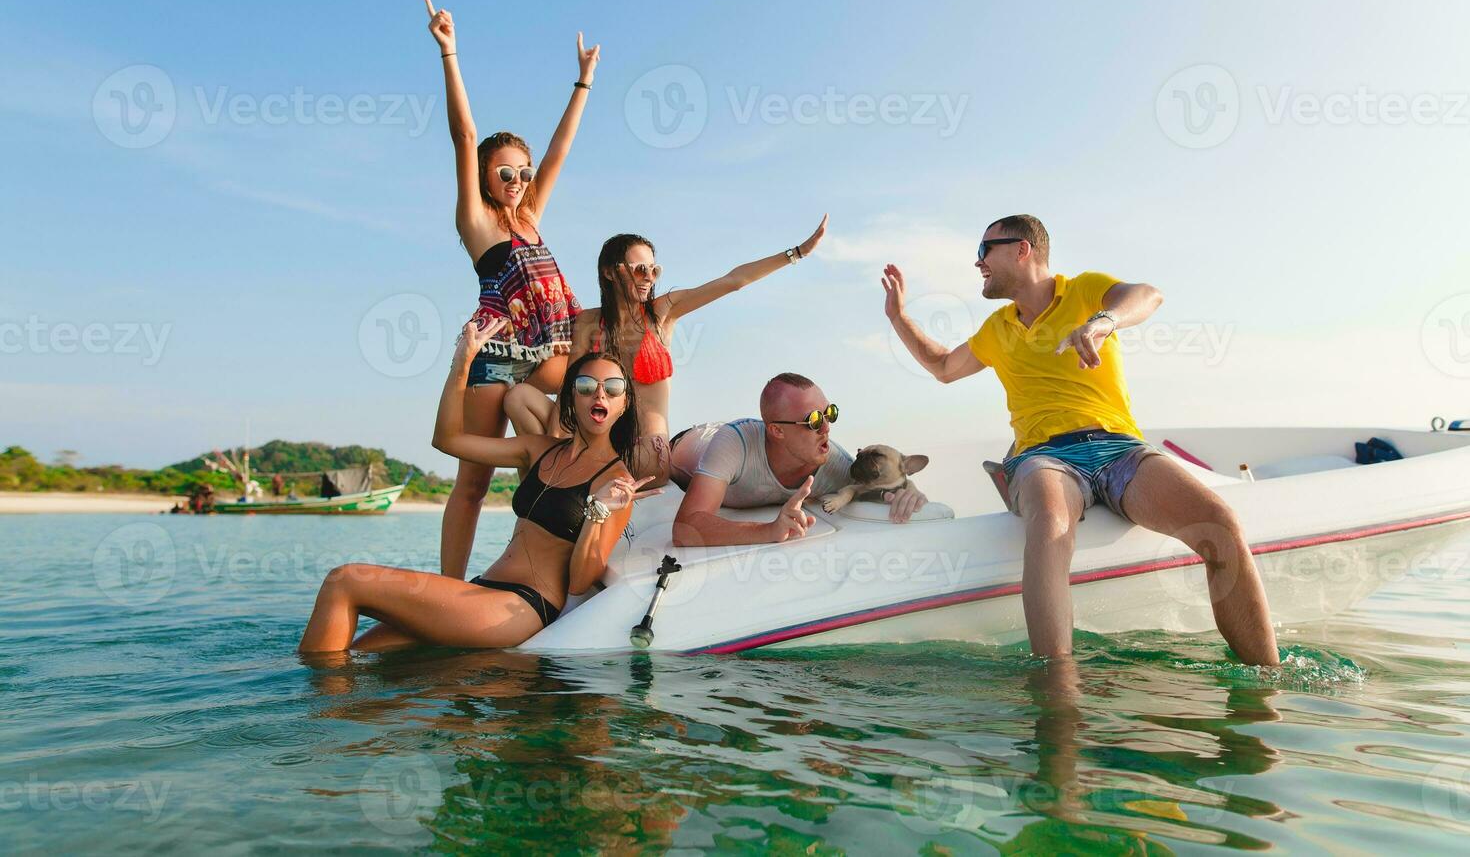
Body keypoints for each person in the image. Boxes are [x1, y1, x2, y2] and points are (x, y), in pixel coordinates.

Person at [881, 214, 1279, 665]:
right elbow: (943, 367)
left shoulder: (1085, 290)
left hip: (1119, 448)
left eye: (984, 250)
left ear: (1022, 249)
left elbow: (1149, 295)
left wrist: (1102, 323)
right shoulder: (997, 329)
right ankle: (1059, 701)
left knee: (1220, 525)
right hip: (1044, 456)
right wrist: (898, 316)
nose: (977, 263)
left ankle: (1266, 688)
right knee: (1050, 526)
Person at [302, 320, 660, 654]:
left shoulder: (616, 483)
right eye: (586, 386)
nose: (600, 394)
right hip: (480, 588)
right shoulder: (538, 450)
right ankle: (327, 709)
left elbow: (580, 582)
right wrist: (462, 364)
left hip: (520, 606)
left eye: (612, 388)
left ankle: (313, 719)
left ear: (623, 403)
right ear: (571, 398)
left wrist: (597, 512)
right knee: (358, 653)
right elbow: (448, 440)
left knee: (344, 581)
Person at [425, 0, 599, 582]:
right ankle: (451, 588)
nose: (519, 181)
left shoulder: (532, 217)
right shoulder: (476, 224)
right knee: (471, 482)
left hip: (545, 353)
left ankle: (554, 550)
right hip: (495, 355)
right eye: (506, 173)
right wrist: (450, 52)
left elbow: (560, 153)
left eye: (523, 173)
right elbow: (463, 133)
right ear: (485, 177)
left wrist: (582, 84)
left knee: (584, 405)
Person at [504, 218, 829, 485]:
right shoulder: (589, 322)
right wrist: (557, 445)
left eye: (653, 270)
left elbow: (734, 281)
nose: (648, 278)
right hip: (592, 438)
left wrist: (796, 253)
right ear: (609, 272)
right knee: (518, 397)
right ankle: (546, 481)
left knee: (630, 457)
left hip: (645, 449)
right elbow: (567, 392)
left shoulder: (663, 312)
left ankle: (559, 475)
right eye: (638, 269)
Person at [669, 372, 930, 547]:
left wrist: (911, 491)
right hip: (686, 446)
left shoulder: (834, 465)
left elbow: (875, 485)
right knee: (655, 460)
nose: (826, 427)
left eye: (830, 413)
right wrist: (767, 531)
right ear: (777, 431)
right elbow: (684, 529)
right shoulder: (734, 443)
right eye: (813, 420)